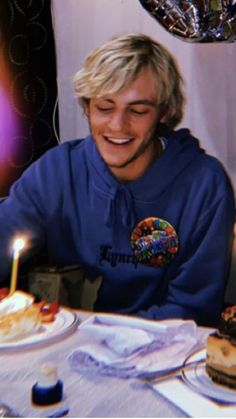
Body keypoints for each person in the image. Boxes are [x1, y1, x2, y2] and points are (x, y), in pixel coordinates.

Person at [0, 33, 235, 326]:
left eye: (138, 110)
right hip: (63, 350)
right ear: (87, 106)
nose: (117, 125)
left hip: (160, 356)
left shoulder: (205, 184)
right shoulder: (56, 171)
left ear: (165, 112)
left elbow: (192, 310)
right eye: (104, 107)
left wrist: (99, 337)